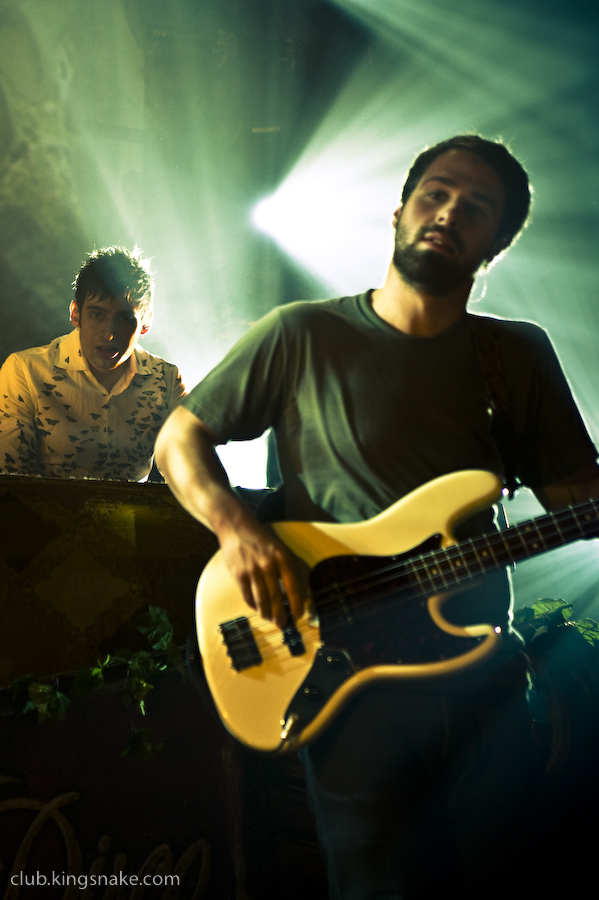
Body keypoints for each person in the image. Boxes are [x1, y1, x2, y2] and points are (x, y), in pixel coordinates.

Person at [155, 135, 599, 898]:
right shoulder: (300, 333)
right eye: (435, 192)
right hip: (349, 683)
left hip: (482, 682)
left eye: (476, 208)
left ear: (494, 246)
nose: (448, 212)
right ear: (399, 211)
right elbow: (178, 438)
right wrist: (237, 530)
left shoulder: (516, 355)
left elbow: (573, 497)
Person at [0, 246, 185, 481]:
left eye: (125, 318)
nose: (109, 334)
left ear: (146, 322)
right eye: (97, 315)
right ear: (75, 313)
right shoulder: (25, 371)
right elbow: (10, 482)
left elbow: (189, 468)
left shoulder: (166, 379)